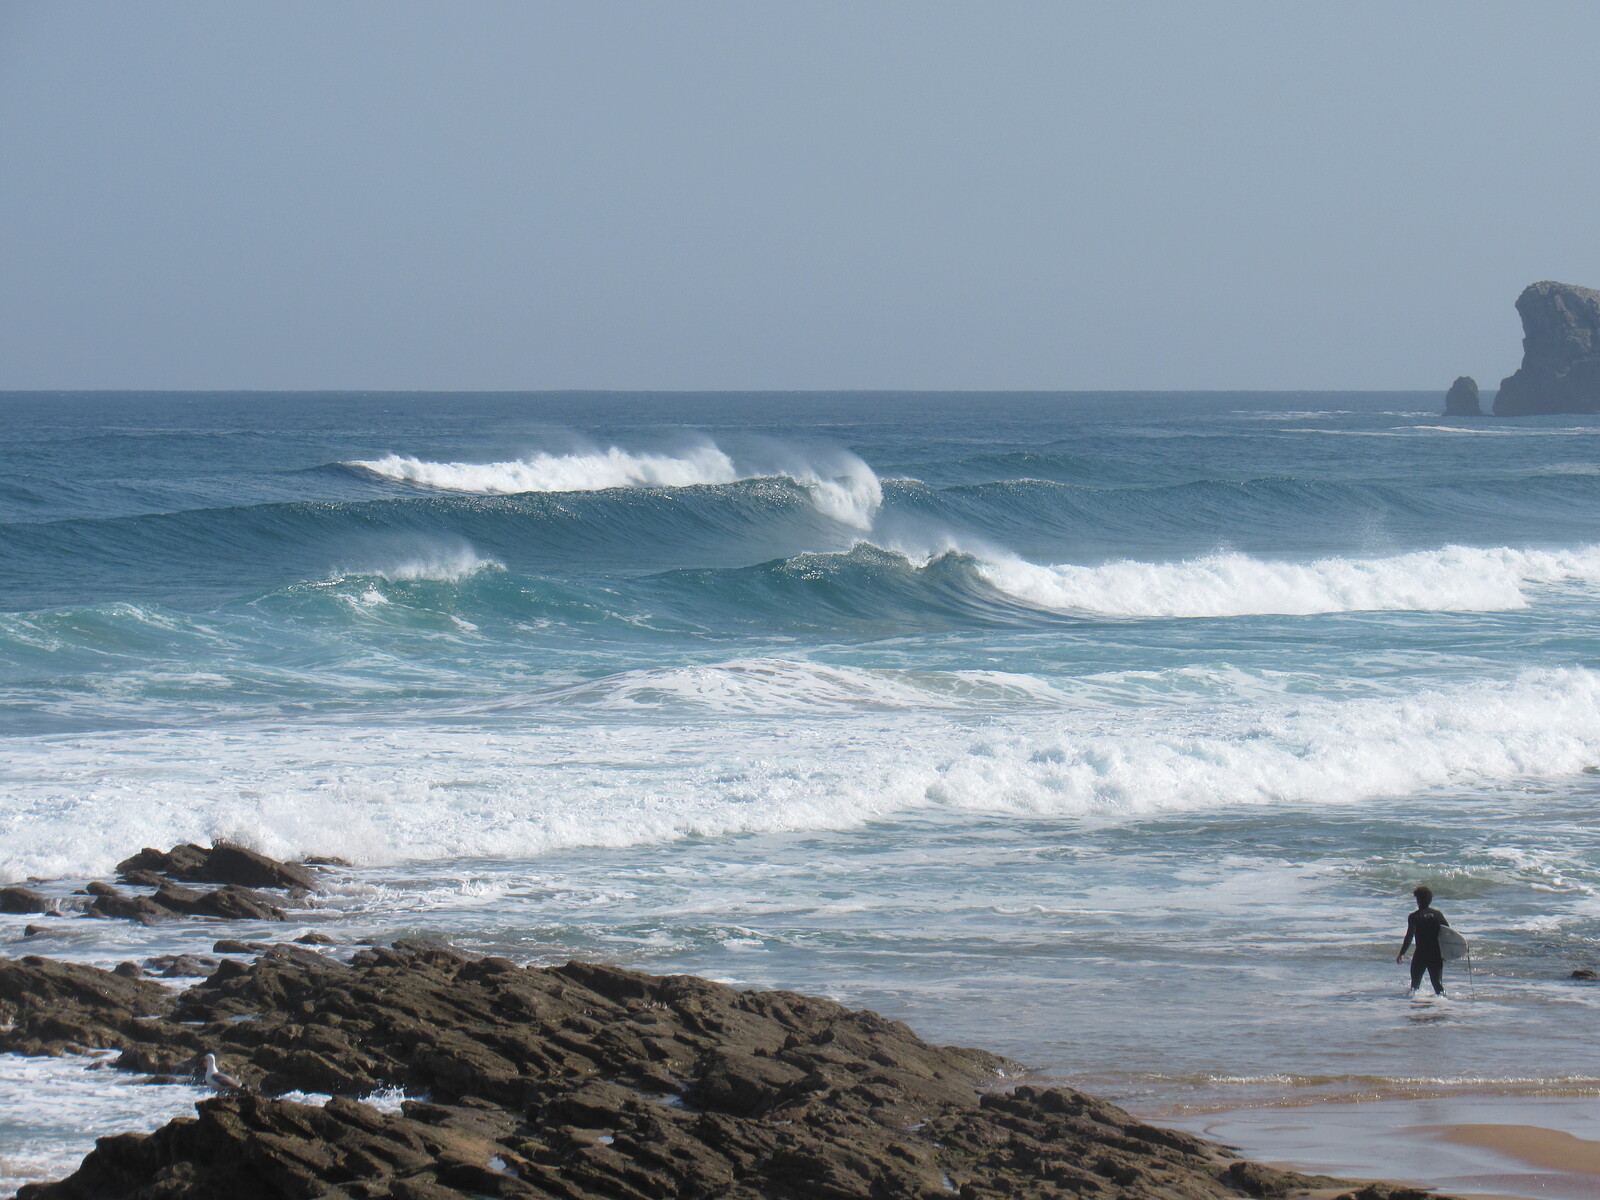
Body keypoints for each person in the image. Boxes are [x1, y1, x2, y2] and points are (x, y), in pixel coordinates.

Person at [1396, 885, 1449, 995]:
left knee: (1415, 985)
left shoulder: (1414, 917)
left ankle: (1414, 1004)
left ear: (1418, 900)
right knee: (1437, 985)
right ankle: (1445, 1006)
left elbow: (1410, 935)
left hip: (1421, 954)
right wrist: (1446, 953)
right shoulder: (1438, 915)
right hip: (1436, 954)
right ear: (1430, 900)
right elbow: (1447, 933)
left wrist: (1402, 953)